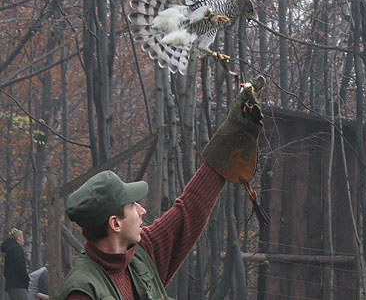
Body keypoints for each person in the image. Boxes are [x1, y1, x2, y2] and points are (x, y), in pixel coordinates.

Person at [55, 81, 264, 299]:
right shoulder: (82, 292)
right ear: (115, 223)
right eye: (133, 205)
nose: (142, 210)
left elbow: (189, 211)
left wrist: (231, 138)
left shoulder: (142, 253)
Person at [1, 228, 30, 300]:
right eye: (22, 237)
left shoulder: (10, 249)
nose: (23, 240)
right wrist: (26, 278)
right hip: (18, 284)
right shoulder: (16, 249)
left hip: (11, 284)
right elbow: (20, 266)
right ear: (19, 238)